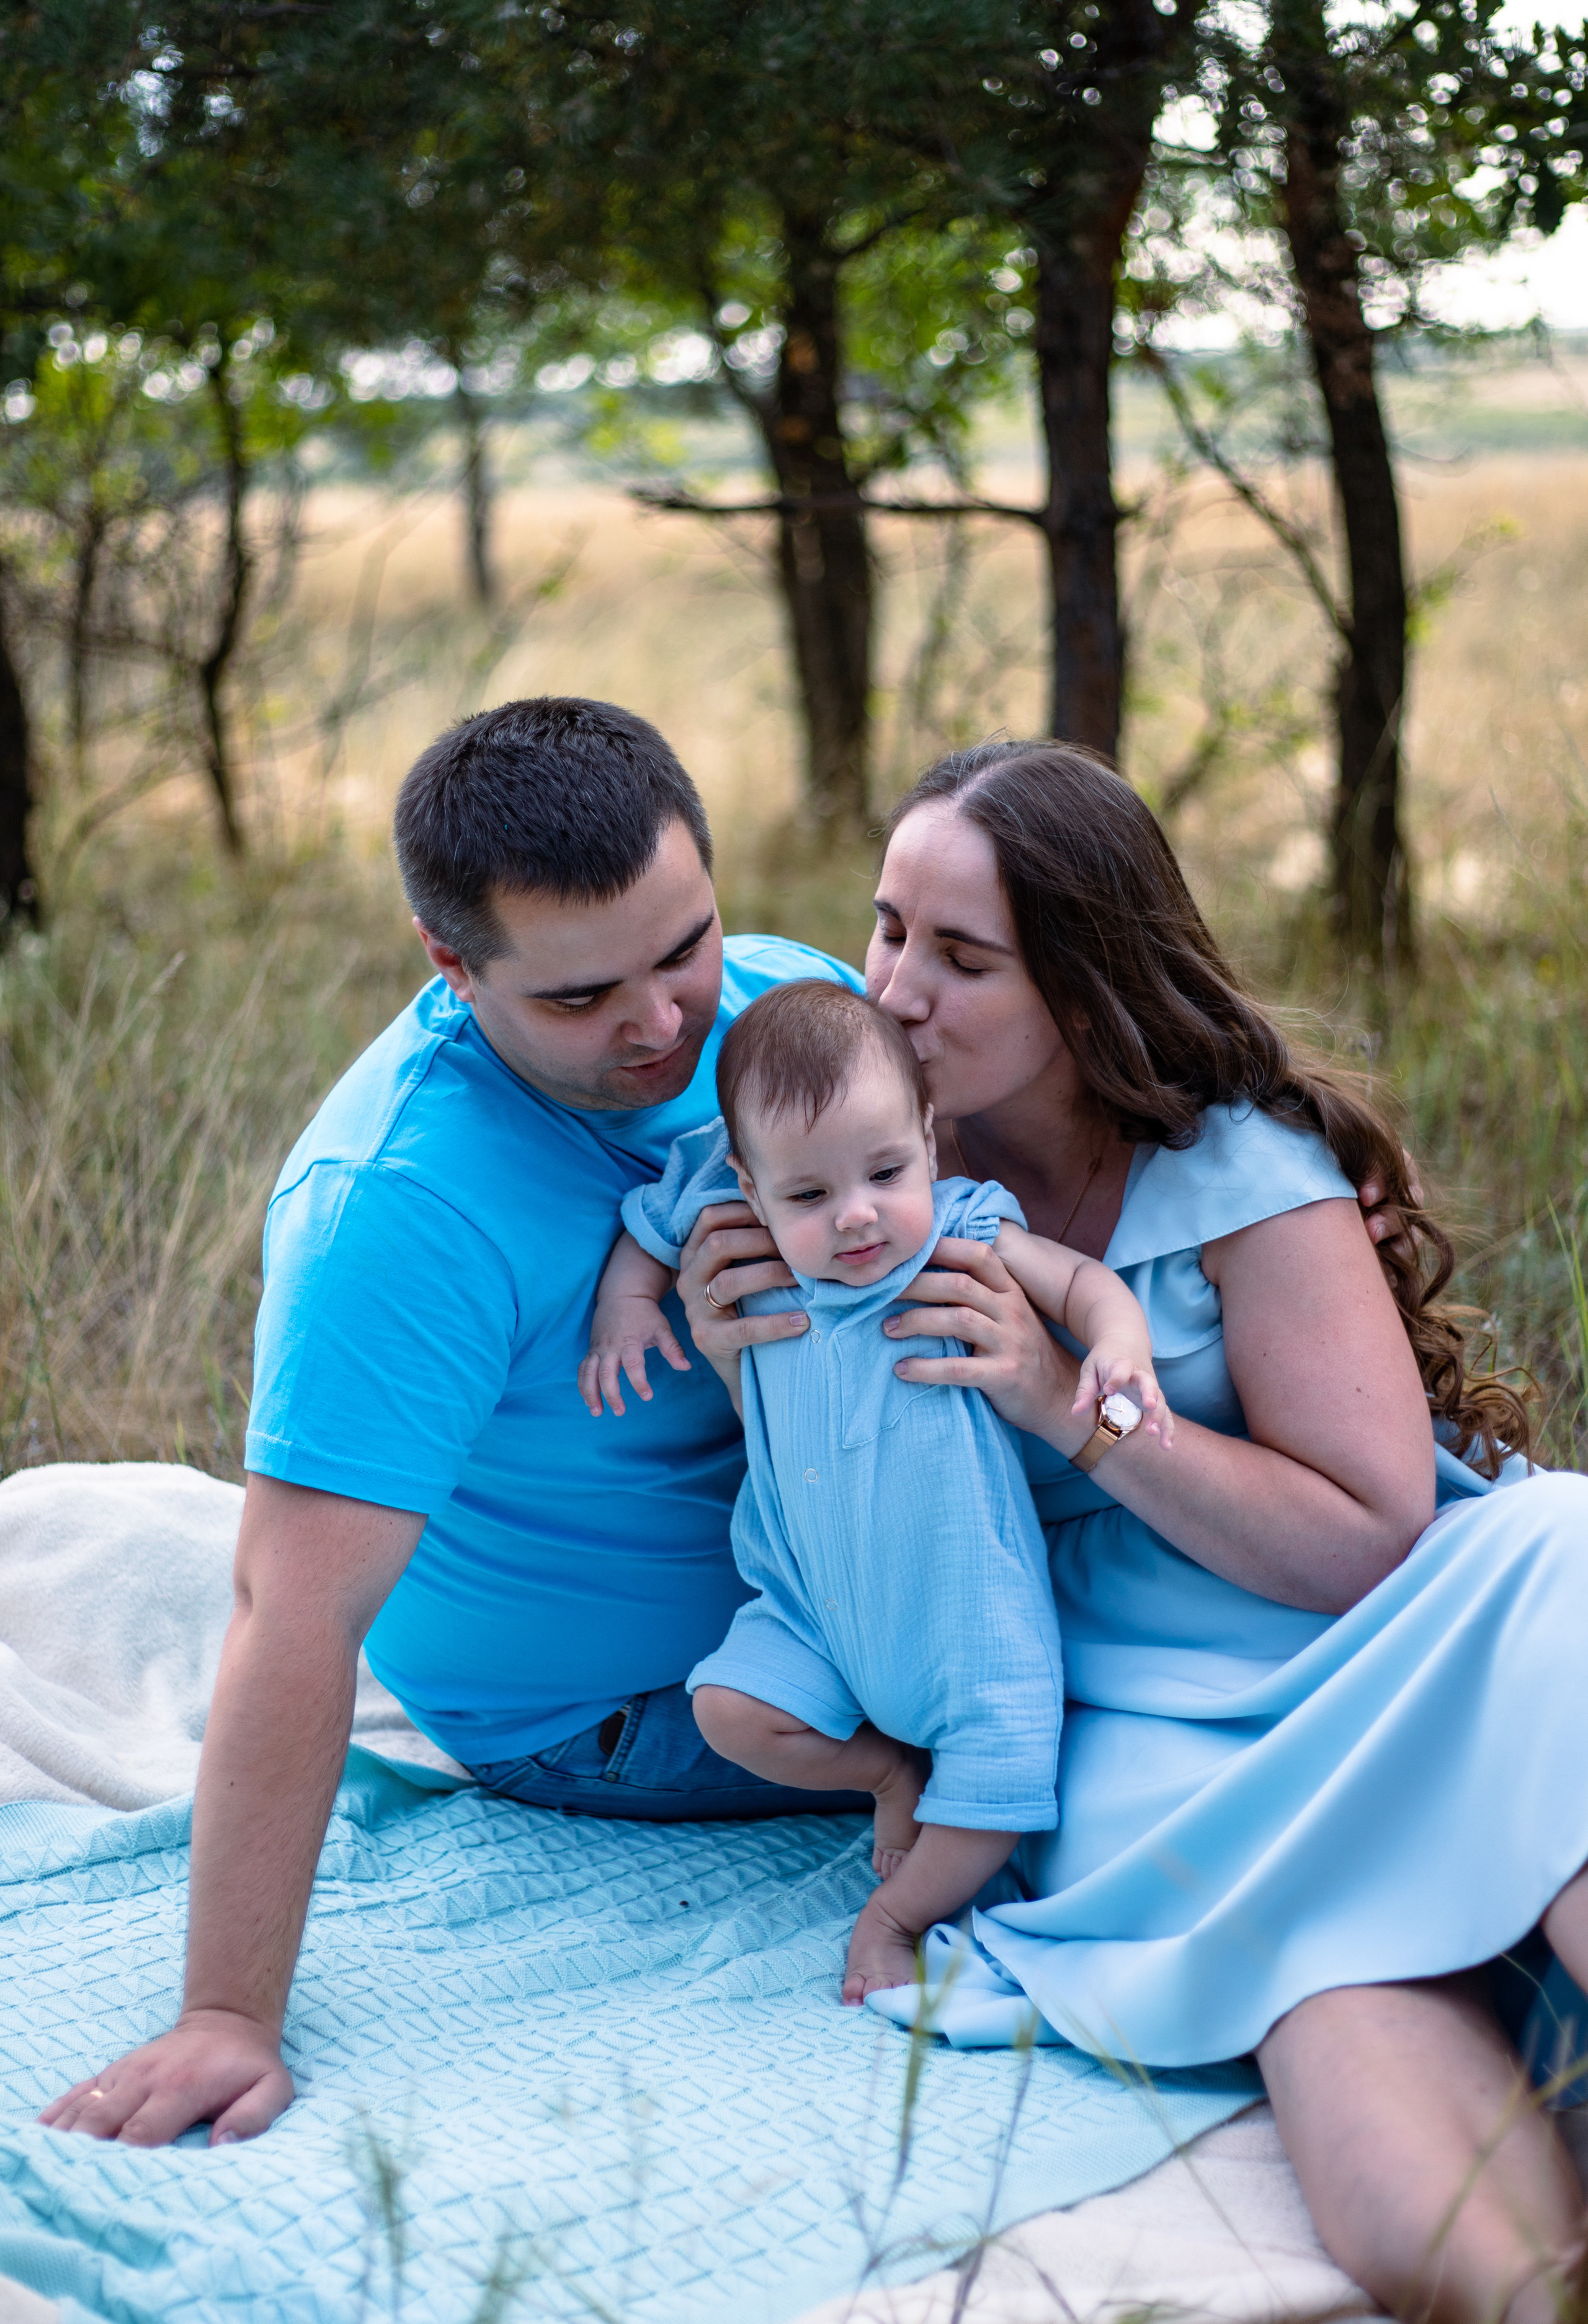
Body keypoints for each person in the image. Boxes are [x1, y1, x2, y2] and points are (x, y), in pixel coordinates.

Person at [677, 738, 1588, 2324]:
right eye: (887, 928)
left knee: (1564, 1583)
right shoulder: (850, 1158)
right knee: (1389, 2158)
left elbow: (1367, 1538)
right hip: (1126, 1717)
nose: (895, 989)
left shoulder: (1233, 1168)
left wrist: (1062, 1404)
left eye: (963, 958)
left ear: (1084, 992)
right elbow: (831, 1489)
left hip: (1407, 1623)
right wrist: (729, 1350)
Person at [40, 696, 867, 2152]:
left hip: (835, 1580)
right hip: (618, 1711)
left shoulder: (788, 1008)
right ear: (453, 966)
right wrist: (227, 2013)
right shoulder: (398, 1211)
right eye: (579, 997)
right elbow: (291, 1609)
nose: (661, 1022)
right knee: (1066, 1728)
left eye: (686, 946)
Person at [586, 977, 1169, 2003]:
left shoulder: (960, 1232)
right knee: (726, 1708)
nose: (857, 1216)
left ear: (929, 1140)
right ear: (751, 1183)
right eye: (809, 1196)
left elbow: (1082, 1283)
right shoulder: (737, 1226)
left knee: (1001, 1786)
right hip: (811, 1609)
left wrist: (1121, 1350)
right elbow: (652, 1227)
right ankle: (887, 1772)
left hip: (968, 1616)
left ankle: (893, 1919)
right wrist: (628, 1306)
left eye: (887, 1173)